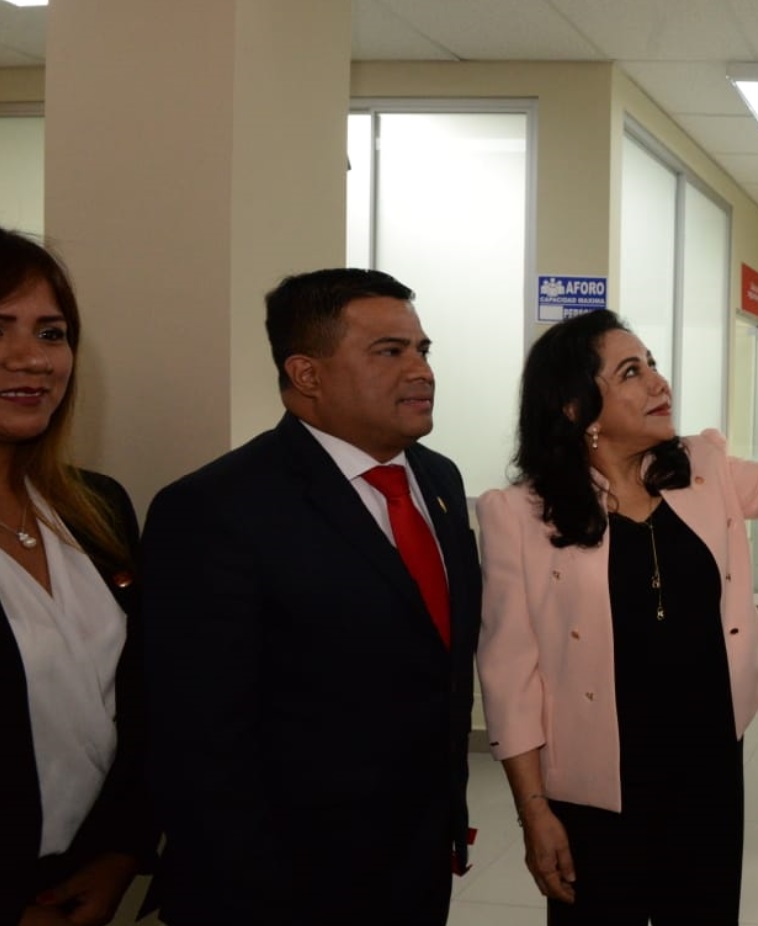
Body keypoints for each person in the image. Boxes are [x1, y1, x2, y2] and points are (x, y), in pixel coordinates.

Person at [475, 309, 758, 924]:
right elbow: (508, 678)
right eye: (631, 371)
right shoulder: (519, 515)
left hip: (707, 768)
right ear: (575, 408)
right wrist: (534, 810)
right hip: (598, 786)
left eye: (651, 364)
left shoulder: (701, 469)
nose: (659, 382)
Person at [140, 268, 482, 925]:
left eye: (422, 349)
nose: (421, 371)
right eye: (389, 351)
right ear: (307, 374)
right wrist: (251, 888)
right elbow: (198, 738)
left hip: (416, 862)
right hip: (282, 884)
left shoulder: (438, 480)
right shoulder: (217, 508)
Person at [0, 230, 154, 926]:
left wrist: (121, 852)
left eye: (51, 333)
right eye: (0, 328)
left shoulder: (97, 508)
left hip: (87, 877)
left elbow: (141, 702)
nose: (32, 358)